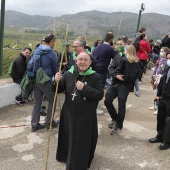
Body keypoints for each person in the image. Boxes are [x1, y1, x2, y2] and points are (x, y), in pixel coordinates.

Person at [55, 52, 104, 170]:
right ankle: (66, 156)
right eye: (80, 59)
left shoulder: (95, 76)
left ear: (90, 62)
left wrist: (85, 88)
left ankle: (77, 164)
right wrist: (56, 81)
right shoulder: (68, 74)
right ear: (76, 61)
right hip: (69, 113)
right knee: (68, 136)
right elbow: (59, 89)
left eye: (85, 60)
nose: (82, 62)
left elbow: (99, 95)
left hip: (85, 115)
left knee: (80, 140)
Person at [104, 45, 141, 134]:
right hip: (115, 83)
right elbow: (111, 68)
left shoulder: (135, 61)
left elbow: (137, 74)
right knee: (107, 101)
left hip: (124, 85)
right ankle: (115, 118)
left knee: (121, 105)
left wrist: (127, 79)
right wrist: (116, 75)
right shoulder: (118, 57)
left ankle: (118, 126)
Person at [31, 34, 59, 132]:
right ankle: (49, 122)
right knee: (52, 100)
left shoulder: (37, 49)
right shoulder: (51, 53)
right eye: (54, 41)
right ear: (51, 42)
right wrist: (57, 77)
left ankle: (34, 124)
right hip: (46, 80)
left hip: (36, 79)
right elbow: (55, 68)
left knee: (37, 102)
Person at [149, 52, 170, 150]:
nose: (168, 60)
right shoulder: (167, 68)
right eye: (168, 58)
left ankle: (167, 141)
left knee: (168, 120)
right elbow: (162, 81)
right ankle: (159, 136)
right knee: (160, 117)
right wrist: (158, 95)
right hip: (163, 97)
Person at [149, 47, 170, 115]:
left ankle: (159, 108)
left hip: (161, 80)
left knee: (160, 94)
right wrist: (152, 76)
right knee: (157, 93)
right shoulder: (160, 59)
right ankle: (156, 105)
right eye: (160, 51)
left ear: (166, 53)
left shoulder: (167, 62)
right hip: (157, 79)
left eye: (162, 51)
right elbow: (156, 68)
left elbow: (164, 71)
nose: (161, 52)